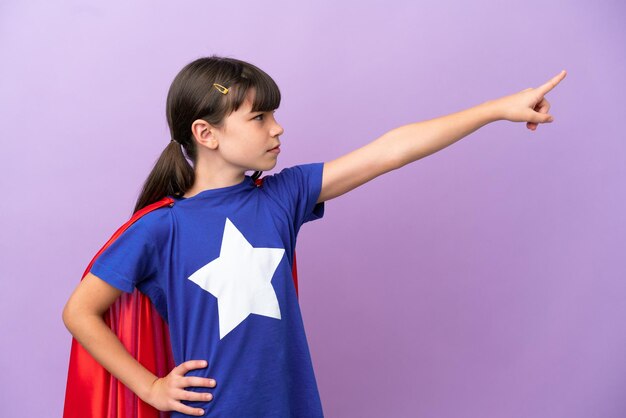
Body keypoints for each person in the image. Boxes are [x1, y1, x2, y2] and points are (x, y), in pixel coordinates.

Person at [62, 55, 567, 417]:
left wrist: (496, 108)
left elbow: (391, 150)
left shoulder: (282, 196)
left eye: (274, 115)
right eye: (260, 117)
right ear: (206, 133)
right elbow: (79, 311)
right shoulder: (160, 227)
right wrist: (151, 387)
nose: (277, 129)